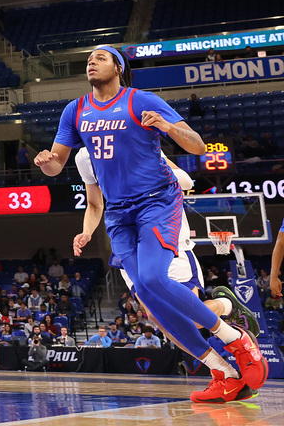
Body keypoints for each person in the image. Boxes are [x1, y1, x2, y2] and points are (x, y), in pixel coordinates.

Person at [37, 45, 267, 403]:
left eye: (100, 57)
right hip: (118, 214)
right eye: (89, 59)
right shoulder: (75, 111)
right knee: (147, 294)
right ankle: (220, 370)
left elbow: (198, 147)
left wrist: (167, 127)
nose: (91, 62)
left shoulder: (141, 100)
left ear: (119, 66)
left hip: (156, 202)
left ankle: (235, 338)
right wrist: (46, 163)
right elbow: (56, 165)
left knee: (154, 279)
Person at [76, 146, 262, 340]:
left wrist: (147, 168)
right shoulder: (84, 156)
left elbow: (186, 181)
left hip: (167, 238)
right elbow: (94, 203)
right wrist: (87, 232)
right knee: (159, 321)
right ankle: (218, 366)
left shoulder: (138, 140)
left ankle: (226, 305)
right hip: (129, 245)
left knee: (188, 320)